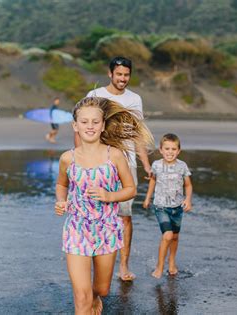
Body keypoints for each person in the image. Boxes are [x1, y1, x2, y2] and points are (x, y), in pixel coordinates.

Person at [55, 97, 154, 314]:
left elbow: (130, 189)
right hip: (77, 228)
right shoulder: (67, 159)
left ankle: (96, 297)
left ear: (102, 126)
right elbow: (62, 184)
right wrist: (61, 201)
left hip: (107, 228)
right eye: (84, 122)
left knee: (102, 288)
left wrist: (108, 196)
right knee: (81, 297)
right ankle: (86, 302)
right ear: (75, 125)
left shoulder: (115, 155)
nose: (89, 126)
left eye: (95, 122)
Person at [79, 56, 151, 281]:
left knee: (124, 216)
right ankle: (95, 261)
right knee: (94, 214)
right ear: (110, 74)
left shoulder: (135, 99)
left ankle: (123, 266)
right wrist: (80, 158)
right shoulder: (95, 96)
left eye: (126, 75)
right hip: (97, 163)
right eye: (119, 74)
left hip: (126, 164)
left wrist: (145, 163)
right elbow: (82, 127)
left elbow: (137, 133)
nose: (123, 78)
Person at [142, 133, 192, 278]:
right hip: (161, 206)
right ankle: (159, 266)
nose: (170, 152)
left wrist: (188, 199)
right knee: (168, 235)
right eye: (167, 149)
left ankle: (171, 263)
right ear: (161, 150)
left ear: (179, 151)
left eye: (173, 149)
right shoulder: (156, 165)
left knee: (175, 237)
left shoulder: (182, 166)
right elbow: (152, 181)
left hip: (177, 207)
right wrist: (147, 198)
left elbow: (188, 185)